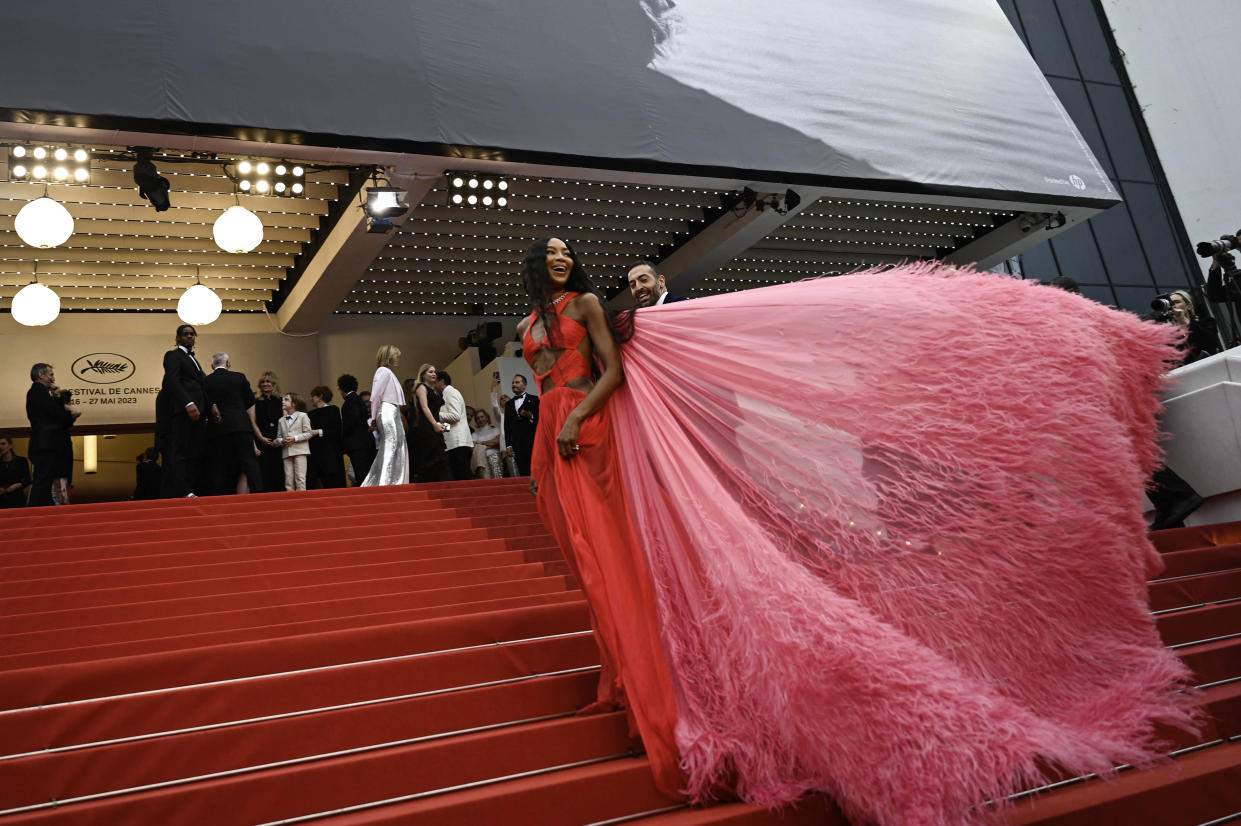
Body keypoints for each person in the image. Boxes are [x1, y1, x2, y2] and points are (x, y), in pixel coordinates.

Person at [518, 236, 1197, 826]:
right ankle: (624, 678)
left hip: (589, 428)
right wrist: (550, 438)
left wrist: (578, 421)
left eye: (565, 254)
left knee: (615, 555)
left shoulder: (587, 309)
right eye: (547, 255)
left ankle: (654, 688)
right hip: (552, 439)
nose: (559, 261)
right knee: (591, 565)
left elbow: (609, 372)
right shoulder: (531, 322)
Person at [161, 325, 217, 497]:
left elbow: (202, 385)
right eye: (185, 334)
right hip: (185, 411)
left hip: (200, 412)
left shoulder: (194, 359)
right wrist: (188, 403)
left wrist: (211, 405)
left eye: (192, 334)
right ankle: (183, 490)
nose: (189, 337)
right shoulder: (173, 355)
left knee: (196, 451)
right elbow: (172, 381)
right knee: (181, 451)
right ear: (178, 338)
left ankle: (193, 488)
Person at [203, 352, 264, 495]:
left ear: (212, 366)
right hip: (240, 425)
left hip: (218, 427)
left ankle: (220, 495)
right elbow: (250, 401)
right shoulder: (239, 377)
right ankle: (257, 492)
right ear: (228, 363)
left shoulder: (206, 381)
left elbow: (205, 404)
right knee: (249, 461)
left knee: (219, 464)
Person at [25, 363, 79, 507]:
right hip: (45, 444)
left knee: (45, 481)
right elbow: (55, 415)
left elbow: (53, 414)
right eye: (51, 375)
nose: (53, 379)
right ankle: (34, 512)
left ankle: (39, 510)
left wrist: (56, 397)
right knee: (42, 481)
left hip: (46, 444)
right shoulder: (37, 391)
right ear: (41, 375)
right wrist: (68, 414)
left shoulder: (40, 393)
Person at [361, 345, 409, 486]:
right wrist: (374, 418)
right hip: (387, 410)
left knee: (398, 444)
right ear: (388, 358)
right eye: (395, 356)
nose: (397, 360)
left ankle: (396, 481)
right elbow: (376, 396)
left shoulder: (387, 372)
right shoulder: (383, 371)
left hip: (392, 411)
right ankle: (385, 483)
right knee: (392, 444)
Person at [409, 364, 448, 483]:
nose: (434, 374)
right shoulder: (422, 387)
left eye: (435, 372)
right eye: (430, 372)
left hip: (435, 425)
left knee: (440, 457)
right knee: (431, 457)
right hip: (427, 426)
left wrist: (442, 425)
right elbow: (425, 408)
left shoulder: (434, 390)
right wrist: (434, 424)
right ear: (423, 375)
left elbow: (438, 411)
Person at [337, 374, 376, 485]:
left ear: (342, 388)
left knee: (361, 474)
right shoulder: (358, 399)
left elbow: (351, 421)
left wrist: (344, 436)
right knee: (367, 473)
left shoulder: (349, 401)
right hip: (366, 442)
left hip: (357, 444)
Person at [277, 393, 319, 491]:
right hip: (286, 452)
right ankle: (291, 503)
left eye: (286, 399)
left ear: (294, 403)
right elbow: (278, 437)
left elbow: (309, 433)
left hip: (300, 451)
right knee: (288, 480)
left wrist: (295, 438)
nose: (283, 401)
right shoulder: (281, 420)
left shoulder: (303, 416)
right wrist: (282, 440)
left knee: (300, 478)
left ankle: (302, 502)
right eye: (283, 399)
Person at [436, 370, 473, 481]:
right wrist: (439, 427)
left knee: (463, 476)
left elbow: (455, 416)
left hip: (458, 442)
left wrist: (435, 415)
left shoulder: (451, 393)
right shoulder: (446, 394)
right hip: (453, 442)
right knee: (458, 476)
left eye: (435, 382)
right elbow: (453, 423)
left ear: (441, 381)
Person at [307, 386, 346, 488]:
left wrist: (318, 432)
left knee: (334, 484)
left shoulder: (333, 410)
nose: (311, 399)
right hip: (316, 455)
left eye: (313, 396)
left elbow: (336, 431)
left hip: (331, 453)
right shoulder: (310, 414)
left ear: (320, 396)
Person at [253, 371, 286, 492]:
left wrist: (279, 439)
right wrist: (260, 437)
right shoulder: (256, 402)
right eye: (263, 382)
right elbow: (253, 422)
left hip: (279, 441)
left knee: (279, 471)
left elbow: (286, 421)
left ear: (274, 383)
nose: (265, 384)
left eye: (268, 381)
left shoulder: (281, 401)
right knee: (264, 471)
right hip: (262, 440)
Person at [503, 374, 539, 476]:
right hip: (517, 443)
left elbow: (541, 419)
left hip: (533, 441)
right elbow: (507, 426)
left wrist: (531, 416)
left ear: (525, 385)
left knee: (536, 469)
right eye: (513, 383)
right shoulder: (508, 404)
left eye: (517, 382)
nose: (514, 384)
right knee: (523, 471)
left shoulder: (535, 399)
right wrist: (508, 445)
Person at [0, 436, 31, 508]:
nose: (0, 447)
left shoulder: (21, 461)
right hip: (1, 499)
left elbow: (28, 480)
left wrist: (17, 485)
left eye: (3, 444)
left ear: (10, 445)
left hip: (17, 498)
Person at [471, 409, 503, 478]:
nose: (480, 419)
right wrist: (491, 443)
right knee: (486, 483)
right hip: (481, 461)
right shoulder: (475, 434)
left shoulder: (495, 430)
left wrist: (481, 443)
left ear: (487, 418)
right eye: (478, 418)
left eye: (482, 417)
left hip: (495, 457)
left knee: (498, 480)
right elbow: (473, 447)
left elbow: (498, 441)